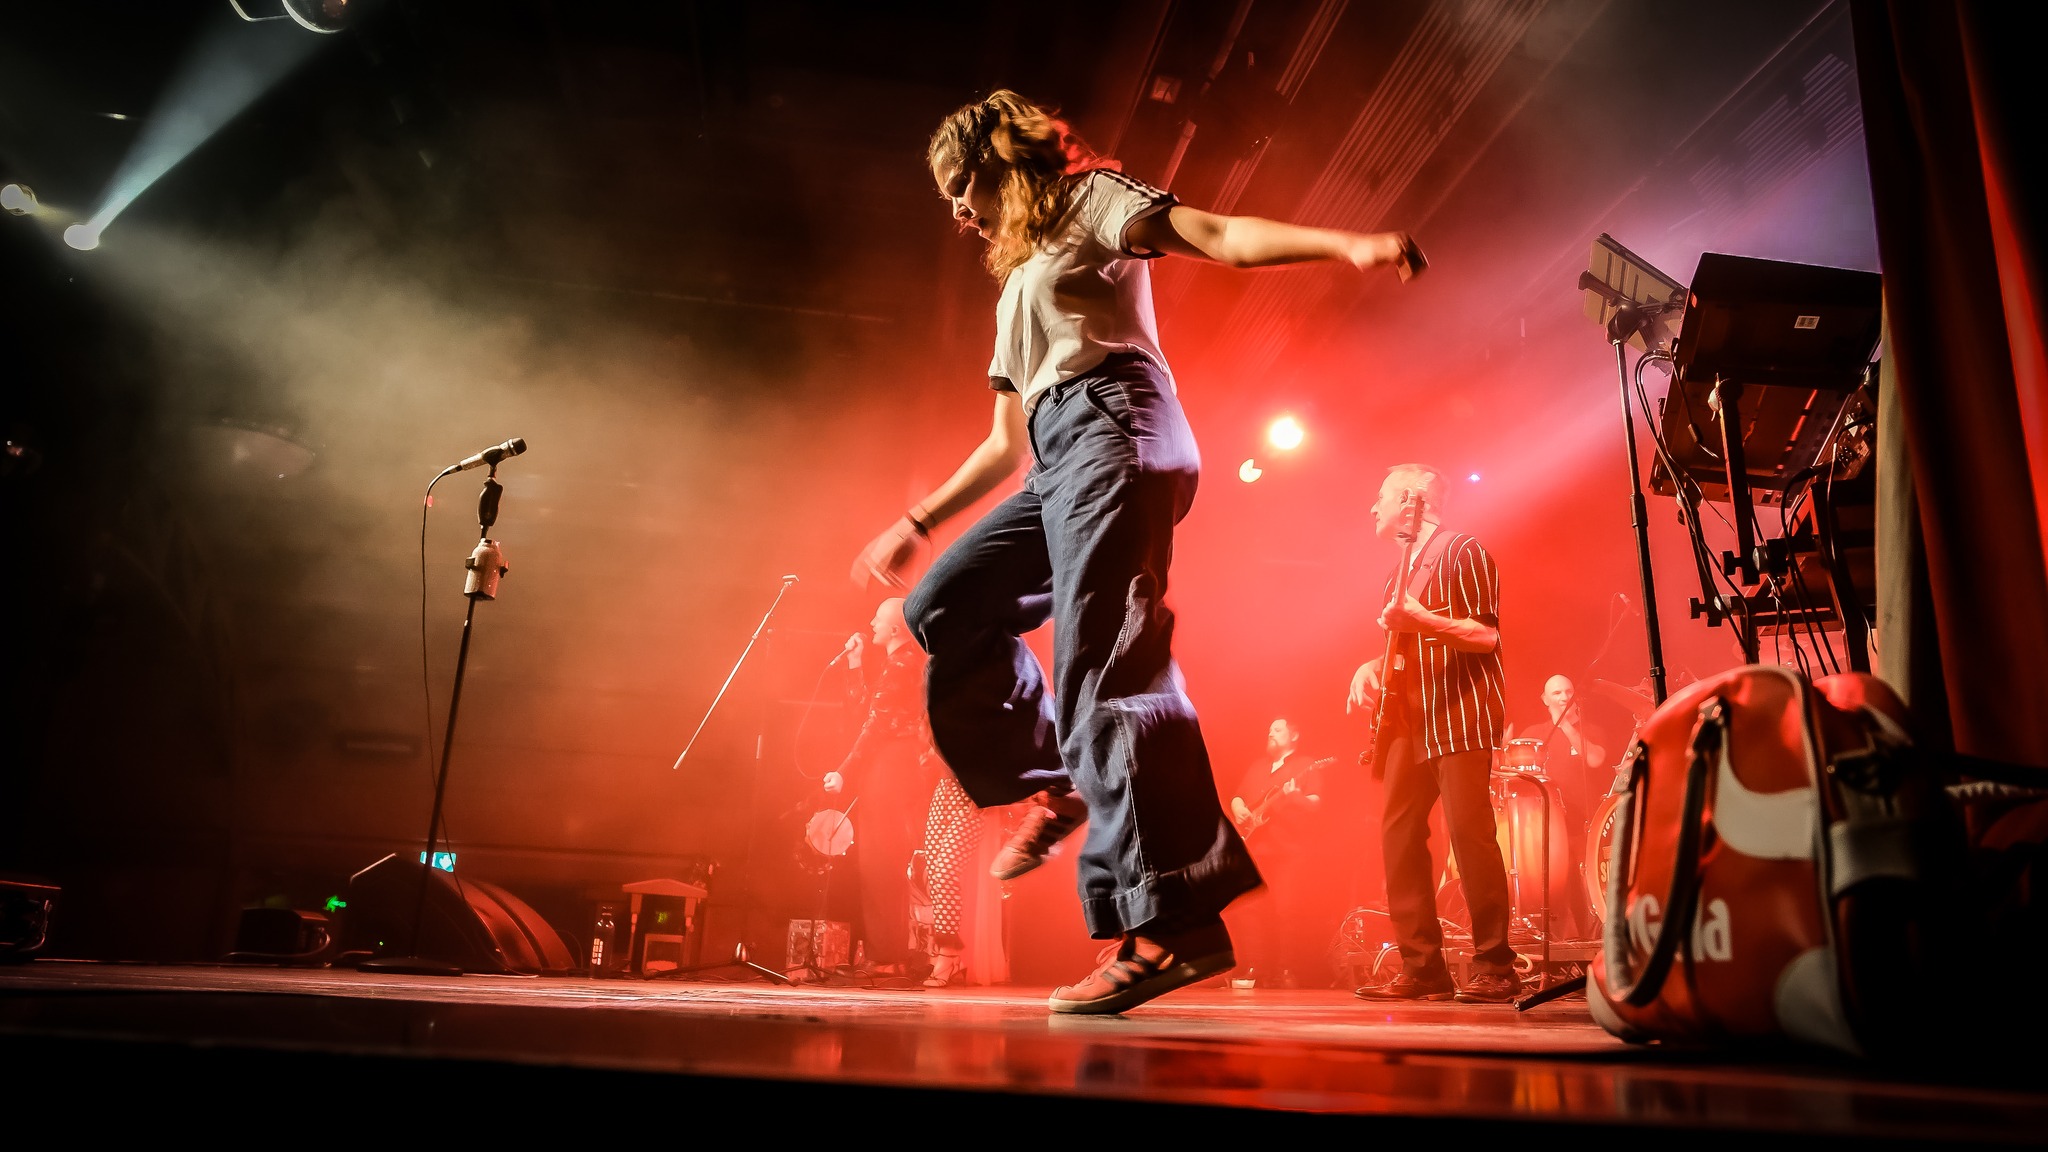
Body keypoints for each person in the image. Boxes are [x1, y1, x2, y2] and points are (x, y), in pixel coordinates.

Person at [850, 90, 1426, 1015]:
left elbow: (1220, 235)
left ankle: (1173, 929)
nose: (957, 210)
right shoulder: (1013, 289)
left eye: (963, 185)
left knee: (1107, 668)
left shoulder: (1092, 201)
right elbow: (1005, 443)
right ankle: (1055, 783)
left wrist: (1348, 244)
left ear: (1003, 160)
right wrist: (918, 522)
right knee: (943, 607)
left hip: (1116, 425)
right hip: (1054, 459)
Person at [1345, 463, 1517, 1004]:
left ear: (1413, 501)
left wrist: (1421, 620)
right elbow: (1410, 640)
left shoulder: (1462, 550)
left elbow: (1485, 635)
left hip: (1458, 715)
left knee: (1470, 837)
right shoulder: (1397, 572)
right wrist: (1371, 666)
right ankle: (1423, 967)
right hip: (1409, 723)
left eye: (1381, 496)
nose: (1373, 508)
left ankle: (1496, 965)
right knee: (1398, 838)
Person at [827, 598, 938, 977]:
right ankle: (886, 954)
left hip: (891, 767)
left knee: (879, 862)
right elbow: (864, 714)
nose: (870, 622)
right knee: (881, 862)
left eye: (878, 618)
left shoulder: (904, 664)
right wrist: (855, 665)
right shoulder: (899, 664)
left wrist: (843, 771)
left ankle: (886, 957)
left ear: (895, 630)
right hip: (892, 766)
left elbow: (873, 728)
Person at [1228, 717, 1330, 985]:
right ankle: (1256, 968)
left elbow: (1316, 803)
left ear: (1294, 735)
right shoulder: (1258, 767)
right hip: (1256, 849)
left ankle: (1287, 970)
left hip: (1289, 850)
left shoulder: (1306, 765)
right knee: (1251, 911)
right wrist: (1237, 806)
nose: (1270, 733)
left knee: (1287, 910)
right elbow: (1238, 795)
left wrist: (1295, 797)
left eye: (1277, 729)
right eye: (1269, 729)